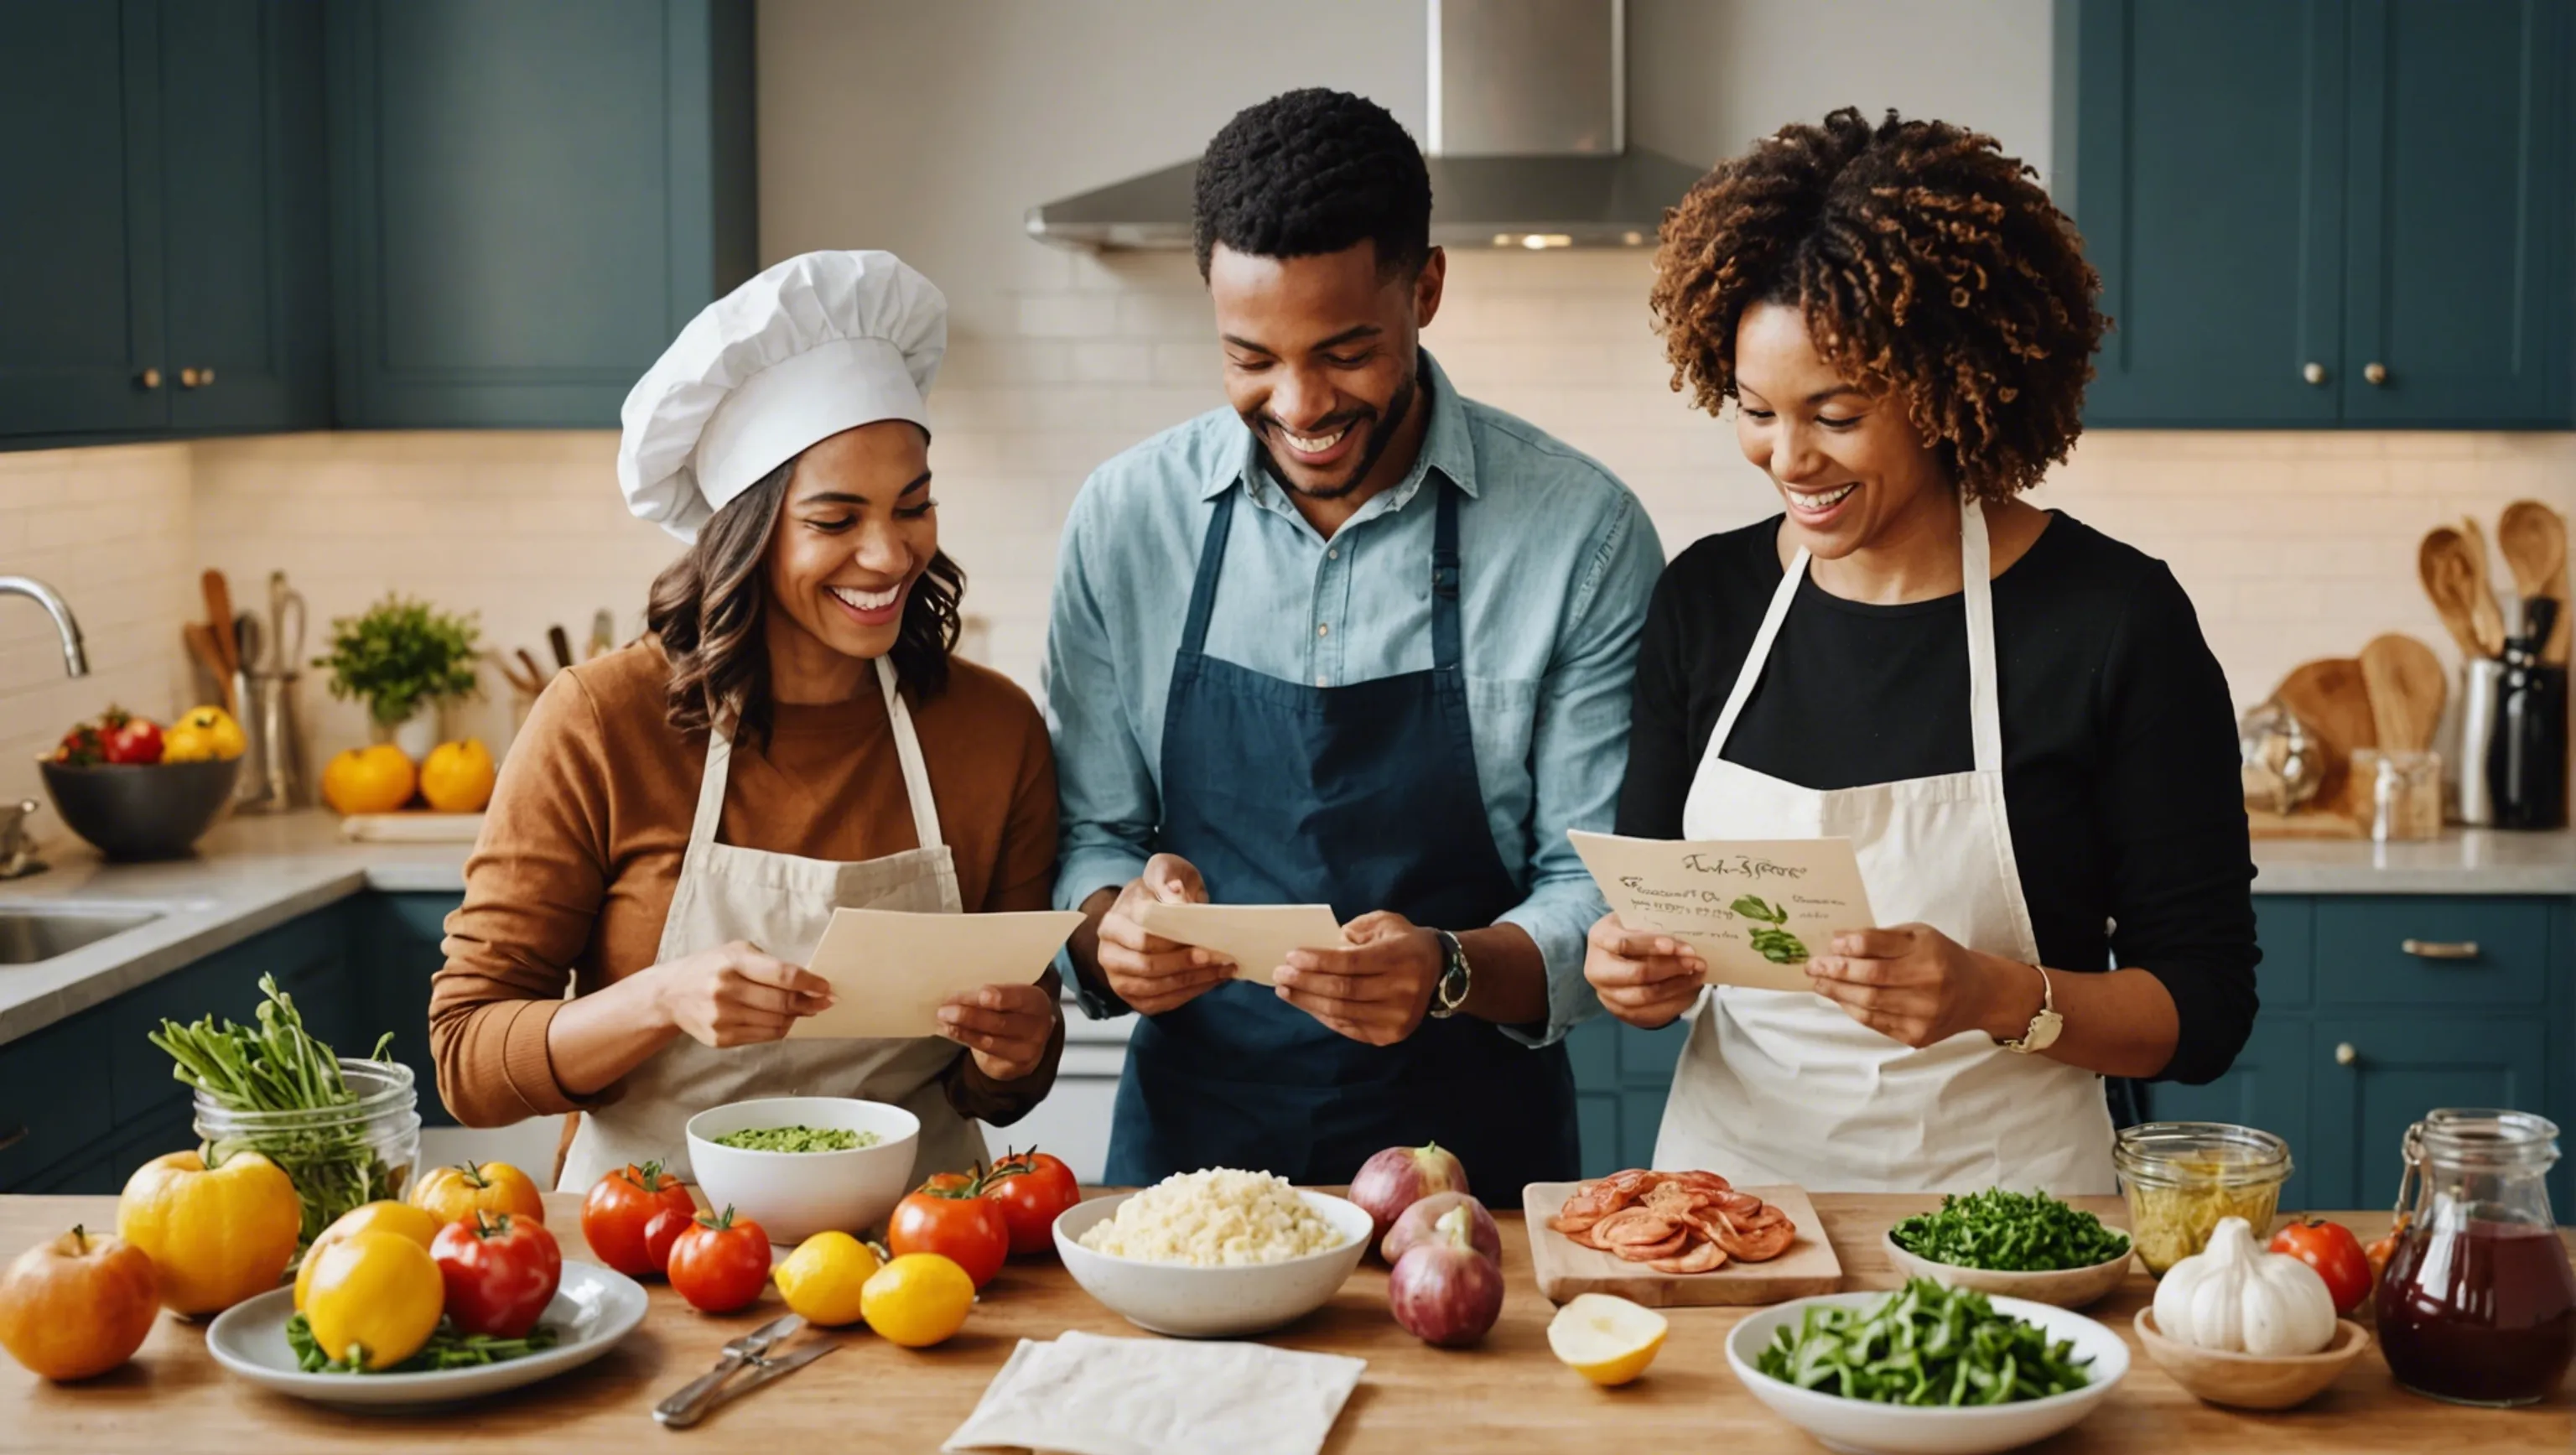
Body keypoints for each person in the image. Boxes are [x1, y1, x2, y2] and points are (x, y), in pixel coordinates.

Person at [1588, 109, 2257, 1193]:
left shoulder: (2114, 621)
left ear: (1949, 390)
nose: (1789, 457)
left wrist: (1998, 995)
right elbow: (1654, 916)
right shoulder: (1706, 600)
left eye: (1837, 414)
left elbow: (2205, 1007)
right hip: (1728, 1215)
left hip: (2007, 1226)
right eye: (1756, 411)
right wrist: (1630, 968)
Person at [1045, 89, 1664, 1193]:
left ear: (1424, 289)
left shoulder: (1582, 534)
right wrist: (1111, 930)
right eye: (1250, 356)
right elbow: (1093, 828)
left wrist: (1454, 966)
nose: (1298, 404)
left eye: (1345, 351)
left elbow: (1593, 883)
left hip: (1472, 1166)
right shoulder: (1124, 518)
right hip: (1194, 1171)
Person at [430, 251, 1065, 1191]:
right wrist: (658, 998)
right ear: (747, 530)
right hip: (655, 1244)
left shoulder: (992, 729)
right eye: (836, 518)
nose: (890, 553)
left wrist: (1019, 1047)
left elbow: (998, 1080)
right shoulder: (602, 723)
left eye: (914, 505)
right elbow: (467, 1058)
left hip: (926, 1252)